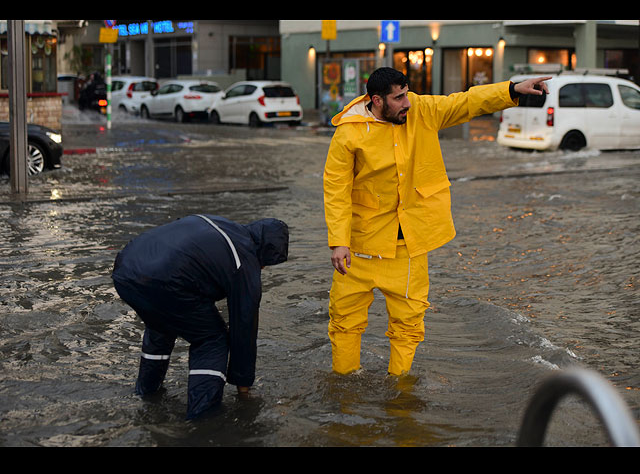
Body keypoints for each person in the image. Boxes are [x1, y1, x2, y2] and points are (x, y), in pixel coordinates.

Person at [323, 67, 549, 376]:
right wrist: (338, 242)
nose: (407, 103)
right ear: (377, 100)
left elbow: (465, 102)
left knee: (409, 325)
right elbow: (335, 189)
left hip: (408, 246)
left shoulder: (422, 111)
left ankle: (400, 392)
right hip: (358, 248)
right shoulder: (349, 133)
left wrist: (512, 90)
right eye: (399, 98)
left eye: (407, 94)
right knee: (345, 323)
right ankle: (343, 390)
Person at [112, 214, 289, 419]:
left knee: (161, 323)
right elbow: (244, 326)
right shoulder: (245, 259)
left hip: (126, 270)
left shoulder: (218, 223)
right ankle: (202, 416)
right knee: (212, 339)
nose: (264, 268)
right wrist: (244, 386)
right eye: (267, 262)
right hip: (167, 280)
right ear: (265, 251)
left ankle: (146, 392)